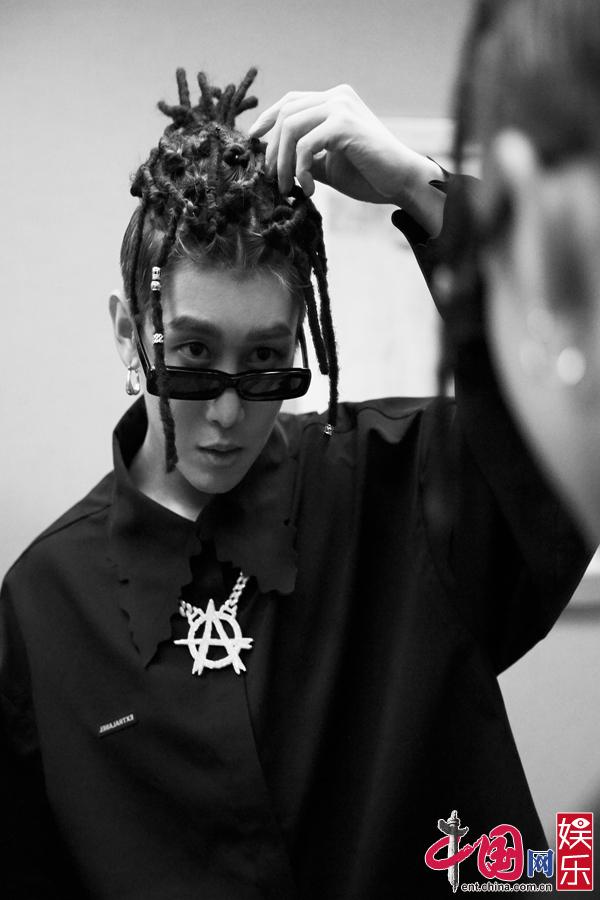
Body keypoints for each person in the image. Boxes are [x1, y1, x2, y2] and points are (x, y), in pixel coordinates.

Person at [0, 62, 590, 899]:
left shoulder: (405, 487)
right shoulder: (43, 608)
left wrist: (419, 187)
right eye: (193, 355)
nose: (229, 412)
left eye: (267, 361)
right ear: (131, 335)